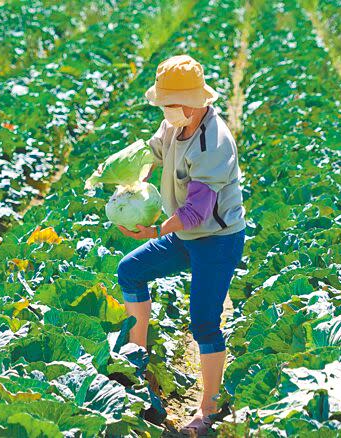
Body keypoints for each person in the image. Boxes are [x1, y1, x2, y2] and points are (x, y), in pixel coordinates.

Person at [116, 54, 246, 435]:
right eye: (164, 104)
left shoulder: (214, 143)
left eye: (169, 103)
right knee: (130, 271)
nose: (165, 110)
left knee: (204, 322)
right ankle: (135, 367)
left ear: (194, 101)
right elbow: (151, 155)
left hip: (215, 240)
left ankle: (208, 409)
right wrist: (119, 176)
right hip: (186, 236)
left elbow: (196, 213)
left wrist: (155, 231)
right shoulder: (176, 122)